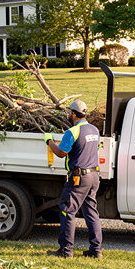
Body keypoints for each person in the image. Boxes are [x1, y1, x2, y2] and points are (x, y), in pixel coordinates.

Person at [43, 99, 102, 258]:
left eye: (70, 112)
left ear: (75, 114)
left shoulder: (73, 132)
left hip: (79, 177)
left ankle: (65, 250)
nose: (69, 115)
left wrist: (49, 141)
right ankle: (96, 251)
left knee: (68, 211)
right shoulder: (94, 130)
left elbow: (61, 153)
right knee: (91, 212)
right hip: (94, 176)